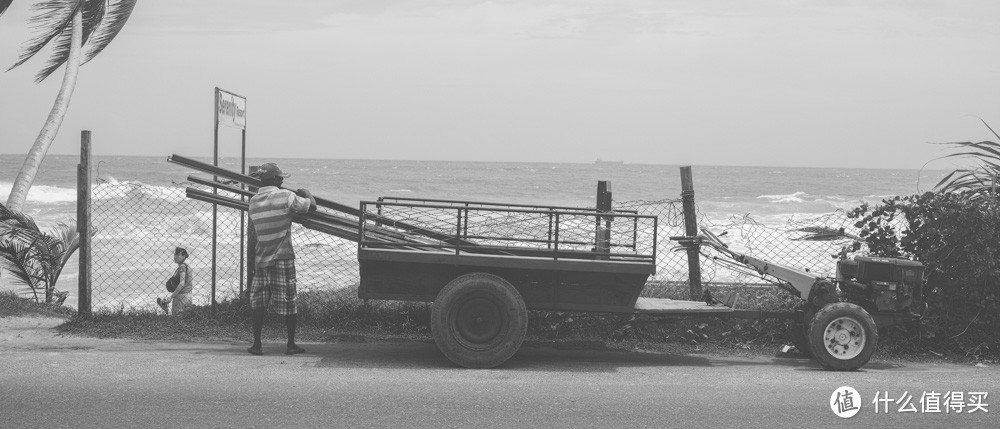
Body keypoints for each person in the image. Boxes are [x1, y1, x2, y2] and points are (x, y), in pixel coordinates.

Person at [246, 162, 316, 356]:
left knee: (258, 301)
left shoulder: (253, 201)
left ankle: (257, 344)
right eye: (281, 178)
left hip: (261, 257)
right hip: (282, 256)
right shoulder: (286, 196)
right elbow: (312, 207)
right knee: (288, 300)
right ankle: (291, 344)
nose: (283, 180)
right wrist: (307, 193)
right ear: (276, 180)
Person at [157, 247, 193, 315]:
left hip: (181, 297)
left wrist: (171, 297)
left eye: (178, 254)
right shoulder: (187, 266)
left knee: (177, 318)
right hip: (188, 295)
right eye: (175, 254)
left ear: (184, 256)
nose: (175, 256)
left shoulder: (182, 267)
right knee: (185, 319)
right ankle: (165, 304)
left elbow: (182, 283)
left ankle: (165, 305)